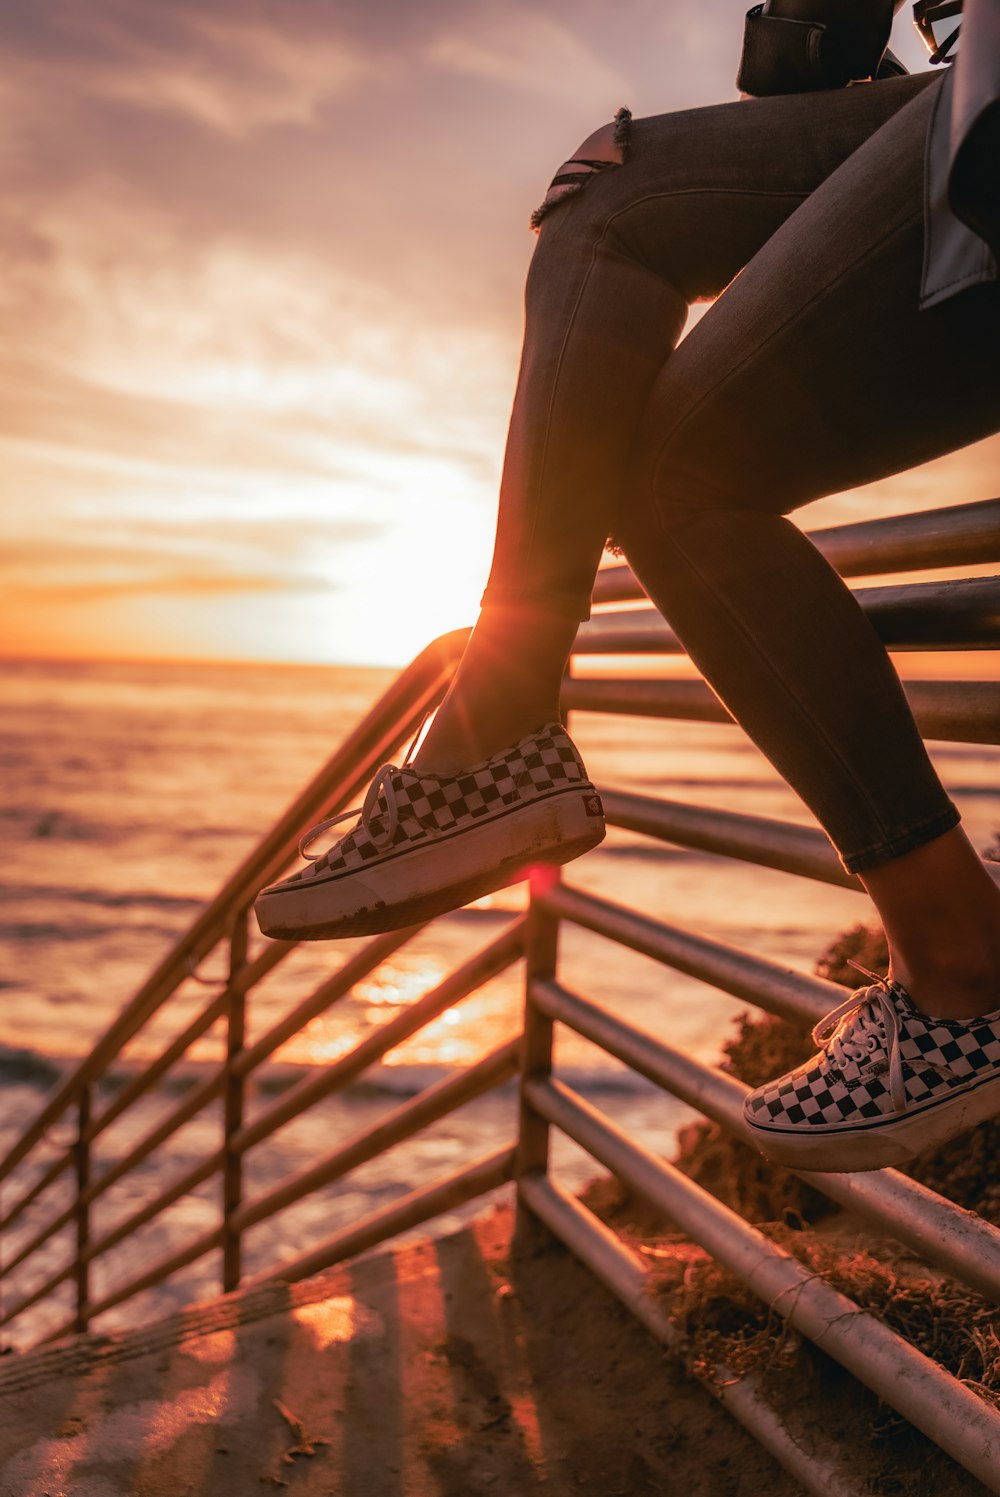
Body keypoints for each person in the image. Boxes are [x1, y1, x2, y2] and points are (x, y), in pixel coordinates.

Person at [256, 0, 1000, 1173]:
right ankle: (501, 727)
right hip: (966, 76)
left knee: (669, 476)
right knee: (609, 197)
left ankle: (962, 967)